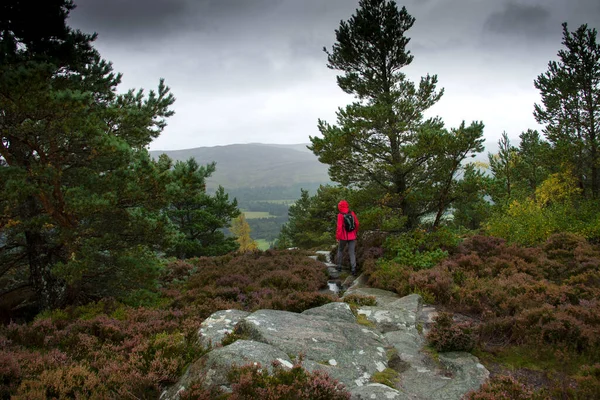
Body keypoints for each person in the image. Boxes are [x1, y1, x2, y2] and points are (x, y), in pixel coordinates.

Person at [336, 200, 359, 275]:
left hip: (343, 236)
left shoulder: (340, 215)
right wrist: (355, 232)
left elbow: (339, 227)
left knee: (340, 250)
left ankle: (339, 266)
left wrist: (338, 237)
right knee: (352, 252)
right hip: (352, 236)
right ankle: (353, 269)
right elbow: (357, 223)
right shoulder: (352, 213)